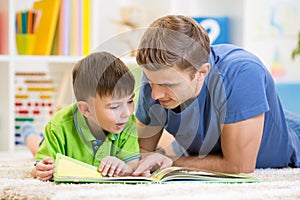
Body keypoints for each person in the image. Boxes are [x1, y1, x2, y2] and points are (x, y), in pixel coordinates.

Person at [132, 15, 300, 176]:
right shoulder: (156, 76)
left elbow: (240, 166)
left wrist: (169, 160)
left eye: (168, 85)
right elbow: (142, 151)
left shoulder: (243, 73)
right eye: (152, 82)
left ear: (202, 72)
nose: (155, 94)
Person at [23, 51, 140, 181]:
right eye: (114, 107)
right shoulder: (57, 126)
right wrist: (39, 169)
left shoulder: (128, 123)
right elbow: (40, 166)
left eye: (130, 101)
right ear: (86, 109)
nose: (127, 113)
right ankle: (28, 132)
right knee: (36, 146)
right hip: (56, 137)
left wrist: (124, 166)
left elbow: (133, 164)